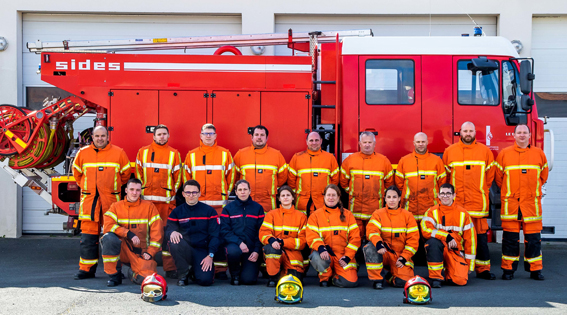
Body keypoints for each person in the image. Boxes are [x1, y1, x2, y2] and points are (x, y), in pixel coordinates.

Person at [72, 126, 131, 280]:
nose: (100, 138)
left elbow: (125, 175)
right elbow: (77, 175)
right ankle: (86, 270)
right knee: (87, 239)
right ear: (92, 137)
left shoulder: (119, 153)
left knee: (113, 237)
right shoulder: (82, 153)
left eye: (103, 136)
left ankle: (115, 270)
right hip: (90, 203)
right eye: (97, 136)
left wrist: (112, 189)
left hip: (111, 203)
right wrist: (88, 189)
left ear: (107, 136)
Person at [494, 124, 548, 281]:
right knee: (510, 241)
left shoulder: (539, 154)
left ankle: (535, 270)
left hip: (531, 205)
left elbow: (543, 176)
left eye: (525, 132)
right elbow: (499, 178)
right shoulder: (504, 154)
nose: (522, 135)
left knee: (534, 241)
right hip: (511, 205)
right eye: (519, 132)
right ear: (514, 135)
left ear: (530, 135)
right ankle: (508, 270)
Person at [443, 121, 496, 280]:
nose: (468, 133)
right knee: (455, 238)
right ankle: (456, 267)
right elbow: (445, 178)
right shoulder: (450, 152)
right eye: (465, 131)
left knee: (480, 238)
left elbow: (490, 178)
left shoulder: (485, 152)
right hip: (457, 205)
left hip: (477, 204)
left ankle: (483, 269)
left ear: (475, 133)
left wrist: (481, 192)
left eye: (470, 131)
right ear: (460, 132)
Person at [183, 123, 234, 277]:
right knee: (197, 236)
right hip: (198, 206)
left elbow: (231, 179)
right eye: (205, 133)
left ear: (215, 136)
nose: (208, 136)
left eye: (211, 133)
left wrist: (224, 195)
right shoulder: (192, 155)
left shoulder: (225, 154)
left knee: (217, 236)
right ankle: (195, 267)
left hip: (219, 205)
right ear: (200, 135)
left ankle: (219, 269)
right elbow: (187, 180)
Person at [136, 124, 182, 279]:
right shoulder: (143, 152)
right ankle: (145, 268)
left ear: (168, 136)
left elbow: (178, 179)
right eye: (159, 134)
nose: (162, 136)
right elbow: (139, 175)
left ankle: (170, 269)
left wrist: (170, 195)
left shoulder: (174, 154)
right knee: (145, 238)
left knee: (166, 238)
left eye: (164, 134)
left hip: (166, 205)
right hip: (147, 205)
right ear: (153, 136)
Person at [101, 178, 163, 286]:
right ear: (126, 190)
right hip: (122, 250)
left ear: (141, 191)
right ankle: (114, 276)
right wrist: (128, 233)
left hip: (141, 253)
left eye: (138, 190)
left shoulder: (149, 207)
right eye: (132, 189)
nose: (135, 193)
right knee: (109, 238)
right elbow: (108, 225)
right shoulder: (116, 207)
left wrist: (151, 252)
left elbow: (157, 232)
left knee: (145, 279)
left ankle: (132, 273)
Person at [395, 132, 446, 264]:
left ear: (427, 142)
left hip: (430, 208)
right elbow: (399, 184)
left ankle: (428, 259)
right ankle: (411, 258)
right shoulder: (404, 161)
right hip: (409, 207)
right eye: (418, 142)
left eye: (423, 141)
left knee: (429, 234)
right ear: (414, 143)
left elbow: (442, 184)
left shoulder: (436, 161)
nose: (421, 144)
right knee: (411, 235)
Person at [340, 131, 394, 241]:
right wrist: (352, 193)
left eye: (370, 142)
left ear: (374, 144)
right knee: (355, 237)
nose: (367, 145)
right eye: (365, 142)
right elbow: (343, 181)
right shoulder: (350, 160)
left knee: (373, 236)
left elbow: (389, 184)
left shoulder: (383, 161)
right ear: (360, 143)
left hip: (375, 209)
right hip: (356, 208)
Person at [166, 180, 221, 286]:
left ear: (199, 194)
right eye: (188, 192)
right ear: (183, 194)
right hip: (185, 249)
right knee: (174, 243)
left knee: (206, 281)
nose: (191, 195)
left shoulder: (209, 211)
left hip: (202, 250)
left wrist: (210, 255)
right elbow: (168, 229)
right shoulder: (177, 212)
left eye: (194, 192)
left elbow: (215, 235)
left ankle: (193, 271)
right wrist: (172, 232)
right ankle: (183, 274)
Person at [363, 186, 419, 290]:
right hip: (383, 252)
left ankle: (389, 276)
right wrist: (378, 243)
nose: (392, 200)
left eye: (394, 197)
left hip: (400, 256)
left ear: (399, 199)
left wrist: (404, 258)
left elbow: (413, 241)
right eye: (389, 197)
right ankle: (377, 280)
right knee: (370, 247)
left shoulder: (408, 216)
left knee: (403, 283)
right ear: (385, 199)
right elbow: (372, 231)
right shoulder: (378, 214)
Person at [421, 183, 476, 288]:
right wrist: (447, 236)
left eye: (448, 193)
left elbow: (471, 240)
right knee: (432, 243)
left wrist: (470, 264)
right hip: (439, 247)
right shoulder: (431, 212)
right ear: (438, 195)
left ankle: (448, 273)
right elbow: (426, 230)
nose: (445, 196)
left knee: (460, 280)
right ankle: (436, 277)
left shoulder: (463, 214)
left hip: (454, 251)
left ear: (454, 195)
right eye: (442, 193)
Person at [306, 184, 361, 287]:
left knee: (350, 282)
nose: (331, 198)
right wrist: (321, 248)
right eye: (328, 195)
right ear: (324, 197)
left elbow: (355, 238)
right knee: (316, 256)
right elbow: (311, 236)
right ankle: (325, 277)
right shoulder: (315, 215)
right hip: (325, 253)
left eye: (334, 195)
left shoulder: (348, 215)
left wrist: (347, 257)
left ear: (338, 197)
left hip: (342, 255)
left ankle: (334, 276)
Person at [259, 185, 308, 287]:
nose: (285, 197)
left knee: (294, 280)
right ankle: (272, 277)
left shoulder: (301, 217)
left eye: (288, 195)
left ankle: (282, 273)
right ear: (279, 198)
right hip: (276, 250)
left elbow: (303, 241)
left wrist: (283, 242)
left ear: (293, 198)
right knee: (271, 249)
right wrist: (272, 240)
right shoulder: (271, 214)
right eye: (283, 195)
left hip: (293, 256)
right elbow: (263, 233)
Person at [233, 125, 288, 213]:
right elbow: (234, 176)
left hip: (268, 201)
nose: (259, 137)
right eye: (256, 135)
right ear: (252, 137)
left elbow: (283, 177)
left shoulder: (277, 155)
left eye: (262, 135)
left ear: (267, 138)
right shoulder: (240, 154)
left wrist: (270, 188)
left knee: (268, 224)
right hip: (246, 200)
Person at [220, 180, 265, 285]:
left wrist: (257, 251)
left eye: (245, 189)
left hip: (252, 247)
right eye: (240, 190)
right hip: (235, 244)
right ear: (236, 192)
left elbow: (261, 231)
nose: (243, 192)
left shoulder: (258, 208)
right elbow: (224, 230)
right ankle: (235, 274)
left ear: (250, 191)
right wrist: (239, 242)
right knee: (233, 252)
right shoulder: (228, 209)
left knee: (248, 280)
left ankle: (246, 271)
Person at [288, 132, 339, 215]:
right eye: (311, 140)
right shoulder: (297, 158)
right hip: (302, 202)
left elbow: (335, 180)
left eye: (316, 140)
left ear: (321, 141)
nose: (314, 143)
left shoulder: (330, 158)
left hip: (322, 201)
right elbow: (291, 180)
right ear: (307, 142)